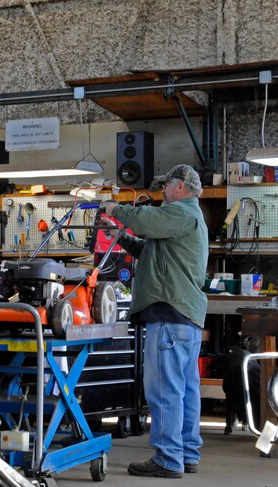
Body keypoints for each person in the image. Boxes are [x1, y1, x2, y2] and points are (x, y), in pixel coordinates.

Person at [101, 164, 208, 479]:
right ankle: (186, 453)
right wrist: (120, 236)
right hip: (183, 315)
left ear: (180, 185)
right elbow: (149, 249)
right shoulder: (186, 218)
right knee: (185, 389)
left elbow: (145, 220)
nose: (162, 190)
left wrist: (115, 209)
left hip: (169, 313)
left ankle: (168, 458)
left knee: (164, 389)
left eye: (166, 185)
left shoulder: (180, 212)